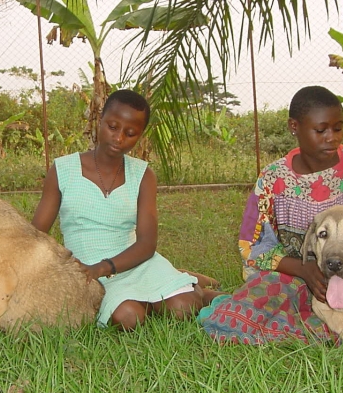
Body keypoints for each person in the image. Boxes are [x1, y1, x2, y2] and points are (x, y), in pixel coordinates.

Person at [197, 85, 343, 345]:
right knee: (256, 302)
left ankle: (337, 327)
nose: (332, 138)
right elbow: (251, 247)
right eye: (321, 130)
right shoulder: (273, 179)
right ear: (294, 126)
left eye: (338, 128)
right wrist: (304, 269)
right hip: (302, 274)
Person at [32, 89, 219, 330]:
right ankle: (172, 288)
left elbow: (146, 243)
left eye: (130, 133)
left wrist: (105, 267)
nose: (119, 138)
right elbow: (37, 234)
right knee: (128, 318)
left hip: (135, 262)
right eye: (112, 126)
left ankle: (190, 288)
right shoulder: (64, 170)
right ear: (99, 121)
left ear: (140, 135)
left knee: (185, 308)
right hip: (87, 270)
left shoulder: (142, 175)